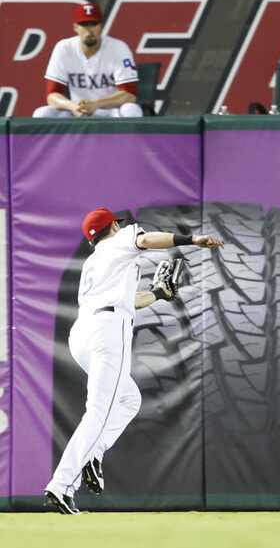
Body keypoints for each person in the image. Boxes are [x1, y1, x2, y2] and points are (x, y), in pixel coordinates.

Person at [43, 207, 224, 514]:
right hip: (107, 332)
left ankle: (93, 454)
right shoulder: (122, 239)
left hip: (84, 334)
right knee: (98, 412)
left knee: (128, 399)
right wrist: (192, 239)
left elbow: (127, 301)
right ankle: (60, 486)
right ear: (113, 225)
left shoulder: (94, 261)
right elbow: (148, 240)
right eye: (118, 223)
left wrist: (157, 293)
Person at [32, 2, 143, 118]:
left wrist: (96, 104)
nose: (89, 30)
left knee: (132, 110)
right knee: (41, 114)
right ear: (75, 27)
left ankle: (126, 137)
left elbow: (129, 95)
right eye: (84, 24)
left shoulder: (118, 48)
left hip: (109, 112)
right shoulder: (64, 48)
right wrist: (72, 106)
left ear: (101, 26)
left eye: (93, 24)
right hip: (77, 111)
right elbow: (52, 95)